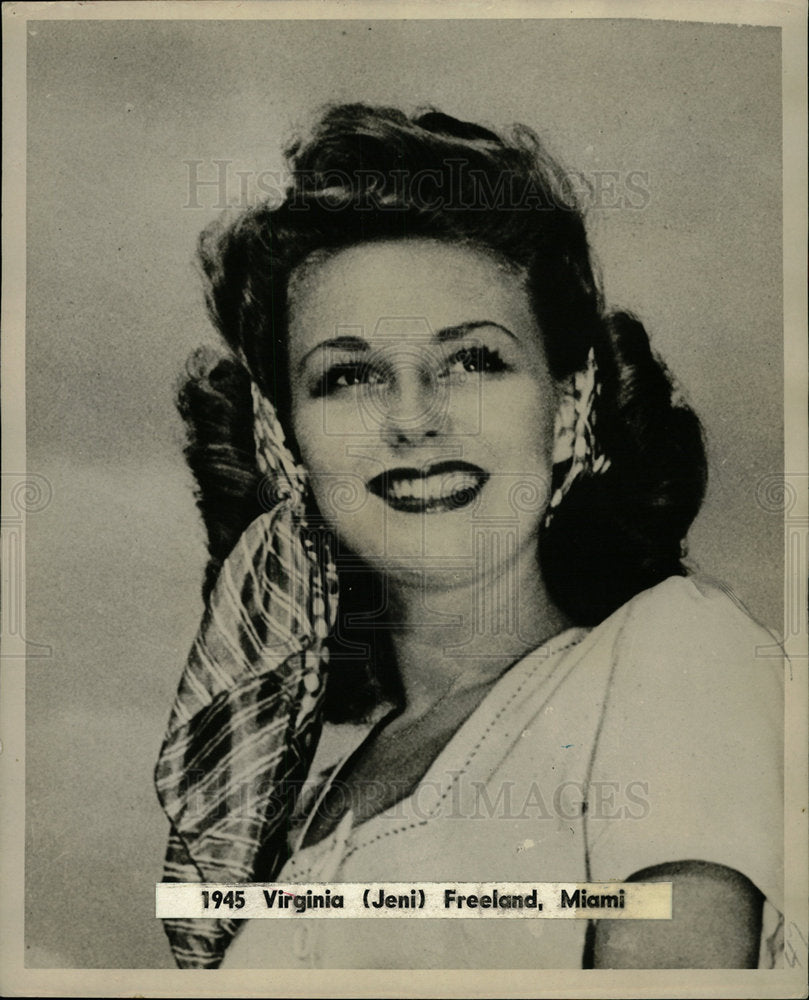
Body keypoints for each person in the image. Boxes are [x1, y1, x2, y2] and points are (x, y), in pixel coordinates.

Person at [154, 104, 784, 970]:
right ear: (285, 441)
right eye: (349, 376)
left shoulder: (676, 649)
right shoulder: (303, 791)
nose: (412, 420)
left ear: (569, 407)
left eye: (473, 361)